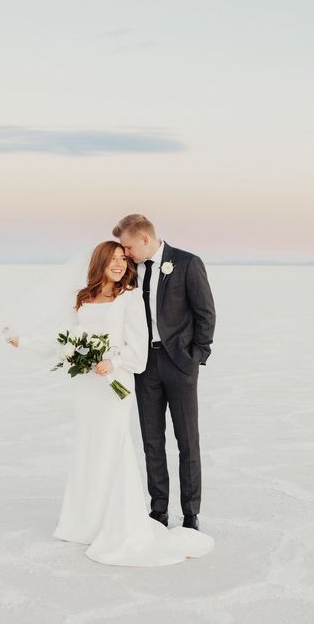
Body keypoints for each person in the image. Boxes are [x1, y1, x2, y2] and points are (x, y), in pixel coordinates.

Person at [5, 240, 214, 566]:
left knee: (114, 444)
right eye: (112, 258)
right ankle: (87, 521)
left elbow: (139, 349)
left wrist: (113, 363)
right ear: (99, 262)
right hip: (86, 385)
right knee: (89, 446)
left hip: (115, 381)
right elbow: (64, 337)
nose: (118, 263)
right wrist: (24, 342)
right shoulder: (83, 298)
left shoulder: (129, 298)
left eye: (122, 258)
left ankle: (123, 519)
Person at [112, 214, 216, 531]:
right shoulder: (131, 271)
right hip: (145, 366)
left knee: (187, 441)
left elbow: (206, 313)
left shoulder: (186, 263)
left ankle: (190, 513)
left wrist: (196, 356)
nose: (125, 254)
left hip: (180, 364)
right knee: (152, 440)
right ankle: (158, 510)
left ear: (145, 239)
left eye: (128, 246)